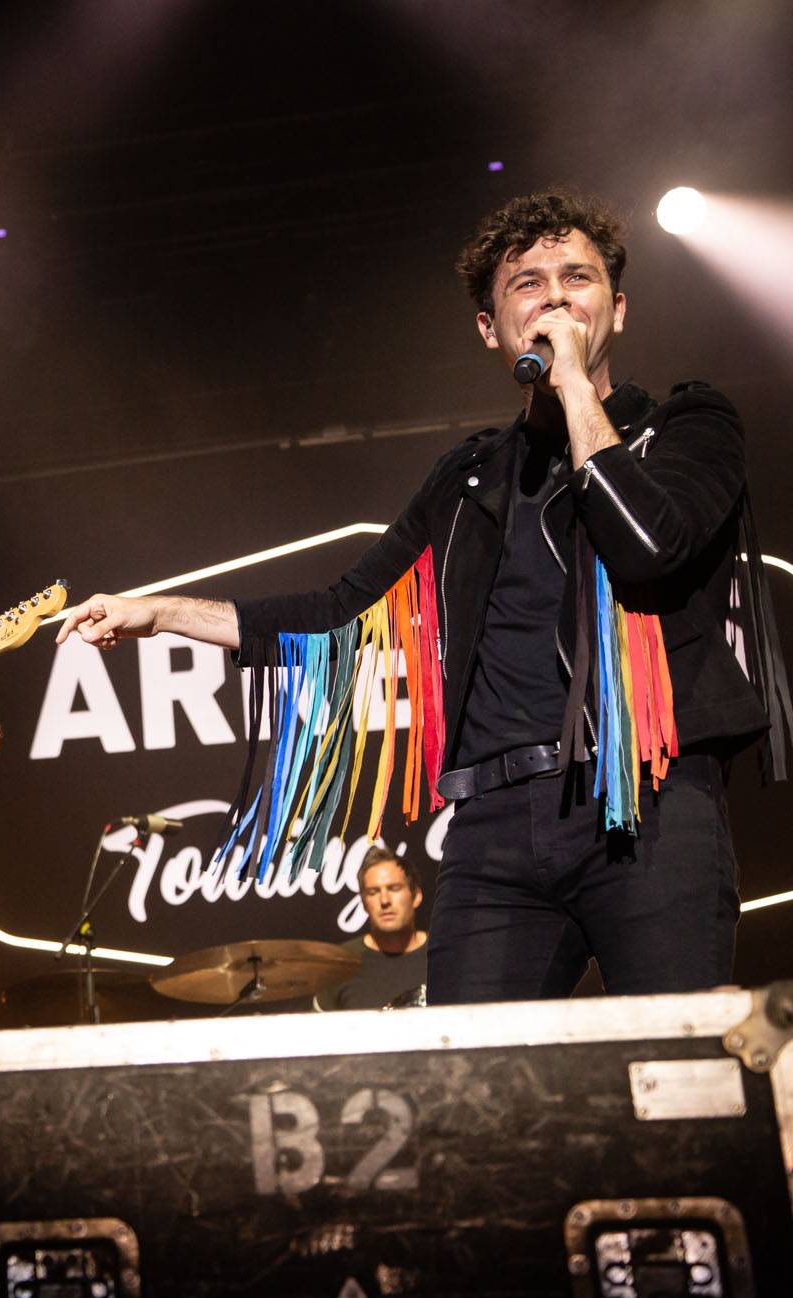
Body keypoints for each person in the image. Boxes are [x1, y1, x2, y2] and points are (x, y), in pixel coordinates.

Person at [59, 191, 788, 1006]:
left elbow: (649, 547)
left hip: (645, 798)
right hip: (495, 826)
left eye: (576, 277)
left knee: (673, 1075)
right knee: (468, 1092)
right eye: (526, 283)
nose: (553, 295)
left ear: (615, 308)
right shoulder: (467, 478)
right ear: (490, 328)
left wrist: (579, 388)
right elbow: (342, 609)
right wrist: (162, 613)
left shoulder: (687, 425)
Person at [317, 848, 429, 1011]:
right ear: (363, 903)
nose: (384, 900)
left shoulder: (445, 956)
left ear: (416, 896)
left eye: (394, 888)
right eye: (373, 892)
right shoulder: (339, 965)